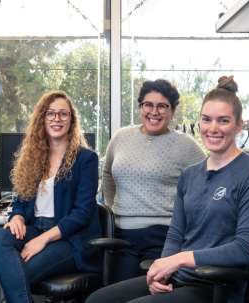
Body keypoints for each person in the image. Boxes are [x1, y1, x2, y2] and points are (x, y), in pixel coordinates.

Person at [86, 76, 249, 303]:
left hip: (214, 285)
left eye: (223, 120)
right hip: (179, 278)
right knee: (98, 300)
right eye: (206, 119)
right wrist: (161, 270)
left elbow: (244, 250)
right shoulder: (191, 175)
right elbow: (175, 234)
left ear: (239, 126)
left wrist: (179, 260)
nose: (213, 128)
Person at [0, 90, 100, 303]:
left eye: (63, 114)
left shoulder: (86, 159)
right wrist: (17, 217)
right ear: (42, 118)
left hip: (70, 239)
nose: (57, 119)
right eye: (50, 113)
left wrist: (42, 240)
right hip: (36, 227)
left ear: (71, 120)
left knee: (19, 274)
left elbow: (82, 213)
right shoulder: (34, 156)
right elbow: (22, 200)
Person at [102, 79, 205, 281]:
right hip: (120, 234)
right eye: (148, 104)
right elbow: (107, 175)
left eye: (162, 106)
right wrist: (111, 206)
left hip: (162, 236)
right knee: (114, 293)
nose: (154, 111)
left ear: (172, 111)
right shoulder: (121, 137)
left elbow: (210, 181)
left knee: (145, 292)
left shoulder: (186, 145)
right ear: (141, 107)